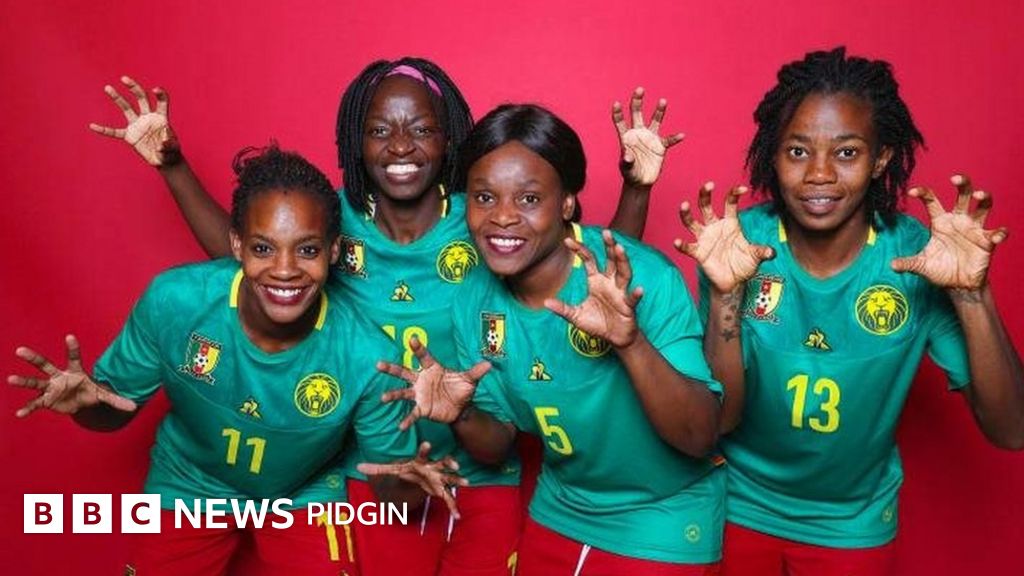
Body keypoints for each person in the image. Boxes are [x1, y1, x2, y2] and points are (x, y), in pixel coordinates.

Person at [88, 58, 685, 576]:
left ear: (449, 139)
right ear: (356, 140)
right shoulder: (328, 220)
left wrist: (635, 190)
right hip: (376, 472)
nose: (401, 147)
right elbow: (254, 257)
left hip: (483, 463)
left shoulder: (485, 216)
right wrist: (173, 167)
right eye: (380, 130)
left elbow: (585, 272)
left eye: (422, 129)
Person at [7, 144, 461, 576]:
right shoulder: (176, 302)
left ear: (334, 251)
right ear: (238, 244)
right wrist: (86, 407)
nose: (285, 269)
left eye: (307, 249)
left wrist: (411, 485)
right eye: (264, 248)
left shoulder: (369, 356)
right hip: (190, 482)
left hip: (302, 491)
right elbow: (112, 412)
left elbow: (392, 490)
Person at [674, 46, 1024, 575]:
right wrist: (726, 297)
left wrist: (973, 295)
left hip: (851, 521)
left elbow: (1011, 430)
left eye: (846, 152)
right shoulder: (738, 245)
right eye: (797, 151)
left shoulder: (917, 258)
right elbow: (721, 419)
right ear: (772, 155)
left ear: (880, 159)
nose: (819, 173)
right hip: (738, 503)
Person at [377, 103, 725, 575]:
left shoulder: (642, 275)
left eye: (528, 199)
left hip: (661, 518)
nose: (502, 217)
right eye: (484, 197)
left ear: (565, 203)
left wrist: (630, 343)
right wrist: (462, 414)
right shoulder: (473, 301)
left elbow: (700, 436)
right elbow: (497, 444)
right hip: (561, 511)